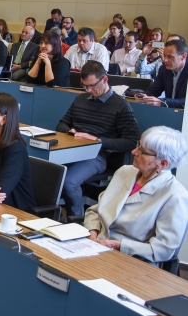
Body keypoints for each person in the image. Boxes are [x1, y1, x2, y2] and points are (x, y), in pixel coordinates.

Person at [85, 126, 188, 264]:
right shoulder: (124, 172)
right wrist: (92, 234)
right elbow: (96, 211)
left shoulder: (174, 195)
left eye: (142, 151)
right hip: (95, 247)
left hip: (132, 261)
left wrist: (118, 245)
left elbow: (163, 250)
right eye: (138, 146)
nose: (134, 152)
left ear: (162, 163)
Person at [56, 61, 140, 216]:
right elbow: (61, 124)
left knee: (69, 182)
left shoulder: (120, 105)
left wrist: (96, 140)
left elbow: (130, 141)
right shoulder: (81, 99)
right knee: (47, 171)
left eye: (92, 86)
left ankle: (75, 220)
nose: (89, 90)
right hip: (71, 150)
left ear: (105, 80)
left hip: (97, 156)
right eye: (85, 86)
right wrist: (70, 131)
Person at [138, 39, 188, 108]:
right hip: (169, 113)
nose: (165, 60)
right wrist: (143, 96)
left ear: (183, 56)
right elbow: (154, 91)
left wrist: (162, 102)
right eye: (164, 56)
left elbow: (185, 102)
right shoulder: (164, 69)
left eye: (170, 57)